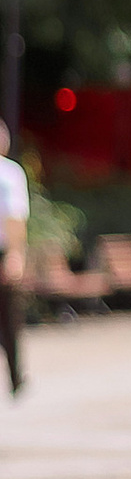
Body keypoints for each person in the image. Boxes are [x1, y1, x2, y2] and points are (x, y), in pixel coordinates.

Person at [0, 124, 25, 397]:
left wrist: (15, 254)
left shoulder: (8, 174)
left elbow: (16, 218)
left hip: (3, 250)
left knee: (8, 318)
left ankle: (15, 376)